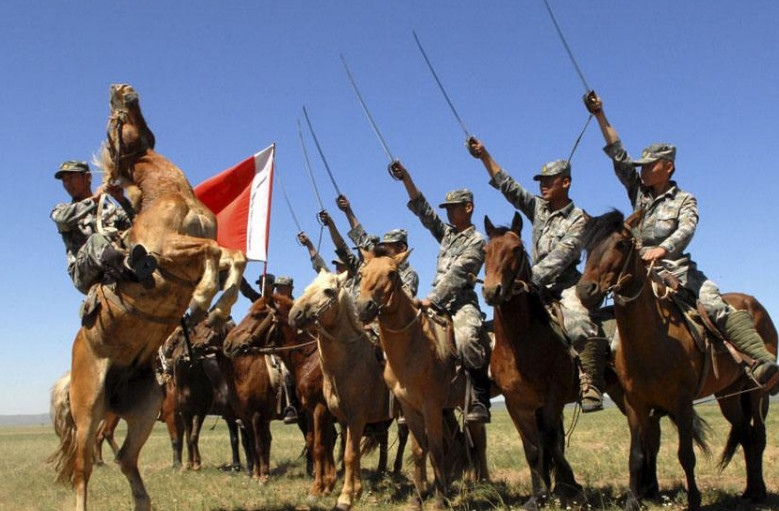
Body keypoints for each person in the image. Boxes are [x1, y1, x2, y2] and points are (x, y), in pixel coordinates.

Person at [584, 91, 779, 393]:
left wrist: (663, 249)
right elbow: (619, 155)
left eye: (650, 165)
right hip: (636, 271)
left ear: (668, 167)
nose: (643, 170)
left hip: (675, 268)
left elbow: (686, 229)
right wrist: (600, 115)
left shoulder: (685, 200)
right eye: (643, 166)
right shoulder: (639, 193)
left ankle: (761, 359)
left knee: (715, 304)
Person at [467, 137, 605, 411]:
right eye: (541, 180)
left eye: (549, 180)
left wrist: (528, 280)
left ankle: (589, 382)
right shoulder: (538, 208)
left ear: (565, 182)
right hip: (527, 286)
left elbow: (561, 256)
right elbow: (510, 188)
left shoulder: (579, 219)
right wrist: (484, 156)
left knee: (580, 324)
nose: (542, 185)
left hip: (563, 285)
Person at [389, 160, 491, 423]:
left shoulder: (478, 241)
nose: (447, 213)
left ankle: (480, 397)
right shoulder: (446, 235)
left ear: (468, 208)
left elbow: (458, 274)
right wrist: (406, 180)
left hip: (461, 304)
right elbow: (424, 211)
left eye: (453, 208)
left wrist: (431, 300)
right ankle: (406, 397)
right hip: (434, 304)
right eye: (446, 209)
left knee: (468, 338)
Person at [51, 160, 156, 295]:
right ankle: (135, 273)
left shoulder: (111, 209)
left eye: (71, 177)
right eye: (64, 181)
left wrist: (122, 200)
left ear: (87, 177)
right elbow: (62, 220)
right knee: (97, 240)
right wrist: (94, 200)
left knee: (137, 236)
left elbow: (138, 225)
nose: (67, 184)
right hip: (84, 272)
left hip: (115, 260)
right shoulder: (62, 209)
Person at [336, 195, 419, 298]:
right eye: (383, 246)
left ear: (402, 248)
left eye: (389, 246)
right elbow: (361, 238)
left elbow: (404, 300)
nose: (384, 249)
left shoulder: (410, 274)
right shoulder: (378, 261)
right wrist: (348, 211)